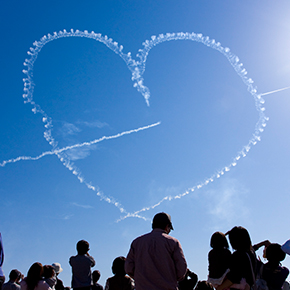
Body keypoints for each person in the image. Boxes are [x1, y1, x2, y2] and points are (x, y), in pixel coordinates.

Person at [125, 212, 187, 290]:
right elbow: (181, 270)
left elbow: (128, 267)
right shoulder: (173, 242)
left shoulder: (137, 242)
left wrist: (140, 277)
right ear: (167, 226)